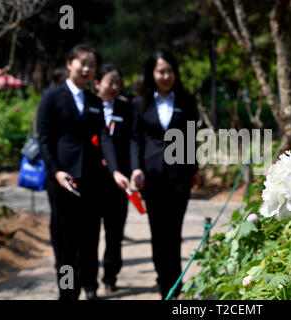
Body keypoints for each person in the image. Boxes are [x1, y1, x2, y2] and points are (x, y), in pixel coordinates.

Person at [37, 43, 126, 300]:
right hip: (62, 181)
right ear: (69, 63)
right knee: (65, 242)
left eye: (92, 65)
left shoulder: (94, 101)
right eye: (82, 63)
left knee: (89, 239)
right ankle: (68, 293)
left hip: (92, 180)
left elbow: (104, 138)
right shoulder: (51, 97)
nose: (87, 69)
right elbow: (44, 140)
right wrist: (55, 172)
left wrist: (115, 171)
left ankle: (89, 285)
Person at [130, 50, 199, 299]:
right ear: (152, 73)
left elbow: (192, 137)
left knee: (174, 232)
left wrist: (194, 170)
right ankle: (163, 283)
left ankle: (175, 285)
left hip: (179, 176)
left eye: (169, 71)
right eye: (160, 71)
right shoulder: (140, 103)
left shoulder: (186, 100)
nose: (165, 76)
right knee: (157, 232)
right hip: (151, 176)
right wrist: (136, 168)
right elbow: (135, 139)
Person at [93, 63, 133, 293]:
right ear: (98, 83)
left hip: (119, 181)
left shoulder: (126, 108)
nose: (115, 87)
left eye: (118, 82)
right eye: (110, 82)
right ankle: (88, 280)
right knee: (89, 233)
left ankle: (110, 276)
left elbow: (132, 141)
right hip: (92, 179)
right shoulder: (88, 105)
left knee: (114, 232)